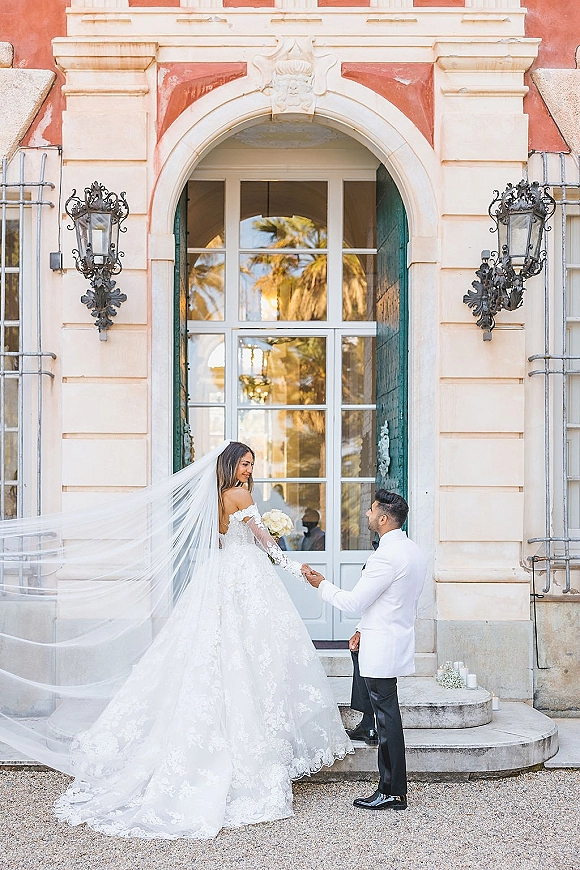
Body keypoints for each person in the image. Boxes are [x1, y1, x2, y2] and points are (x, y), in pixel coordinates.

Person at [0, 441, 351, 839]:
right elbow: (263, 541)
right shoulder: (239, 494)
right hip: (246, 575)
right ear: (231, 465)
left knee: (225, 653)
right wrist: (293, 566)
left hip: (223, 572)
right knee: (250, 654)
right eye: (245, 464)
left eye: (253, 465)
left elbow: (222, 540)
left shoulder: (219, 497)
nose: (250, 471)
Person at [303, 490, 426, 812]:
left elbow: (353, 601)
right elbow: (391, 602)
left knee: (387, 723)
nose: (367, 515)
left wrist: (321, 585)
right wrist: (361, 628)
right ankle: (392, 788)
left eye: (371, 511)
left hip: (383, 645)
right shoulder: (412, 550)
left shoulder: (386, 556)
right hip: (392, 637)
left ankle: (393, 790)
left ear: (383, 518)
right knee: (387, 719)